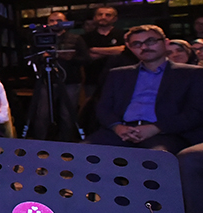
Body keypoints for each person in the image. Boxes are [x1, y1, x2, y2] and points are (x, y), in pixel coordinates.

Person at [86, 25, 203, 153]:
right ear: (130, 48)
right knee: (80, 152)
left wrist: (156, 128)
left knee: (156, 158)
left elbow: (195, 112)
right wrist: (117, 127)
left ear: (166, 42)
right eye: (137, 44)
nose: (144, 47)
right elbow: (103, 107)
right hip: (121, 131)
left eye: (150, 41)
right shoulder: (117, 74)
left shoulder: (192, 74)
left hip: (166, 132)